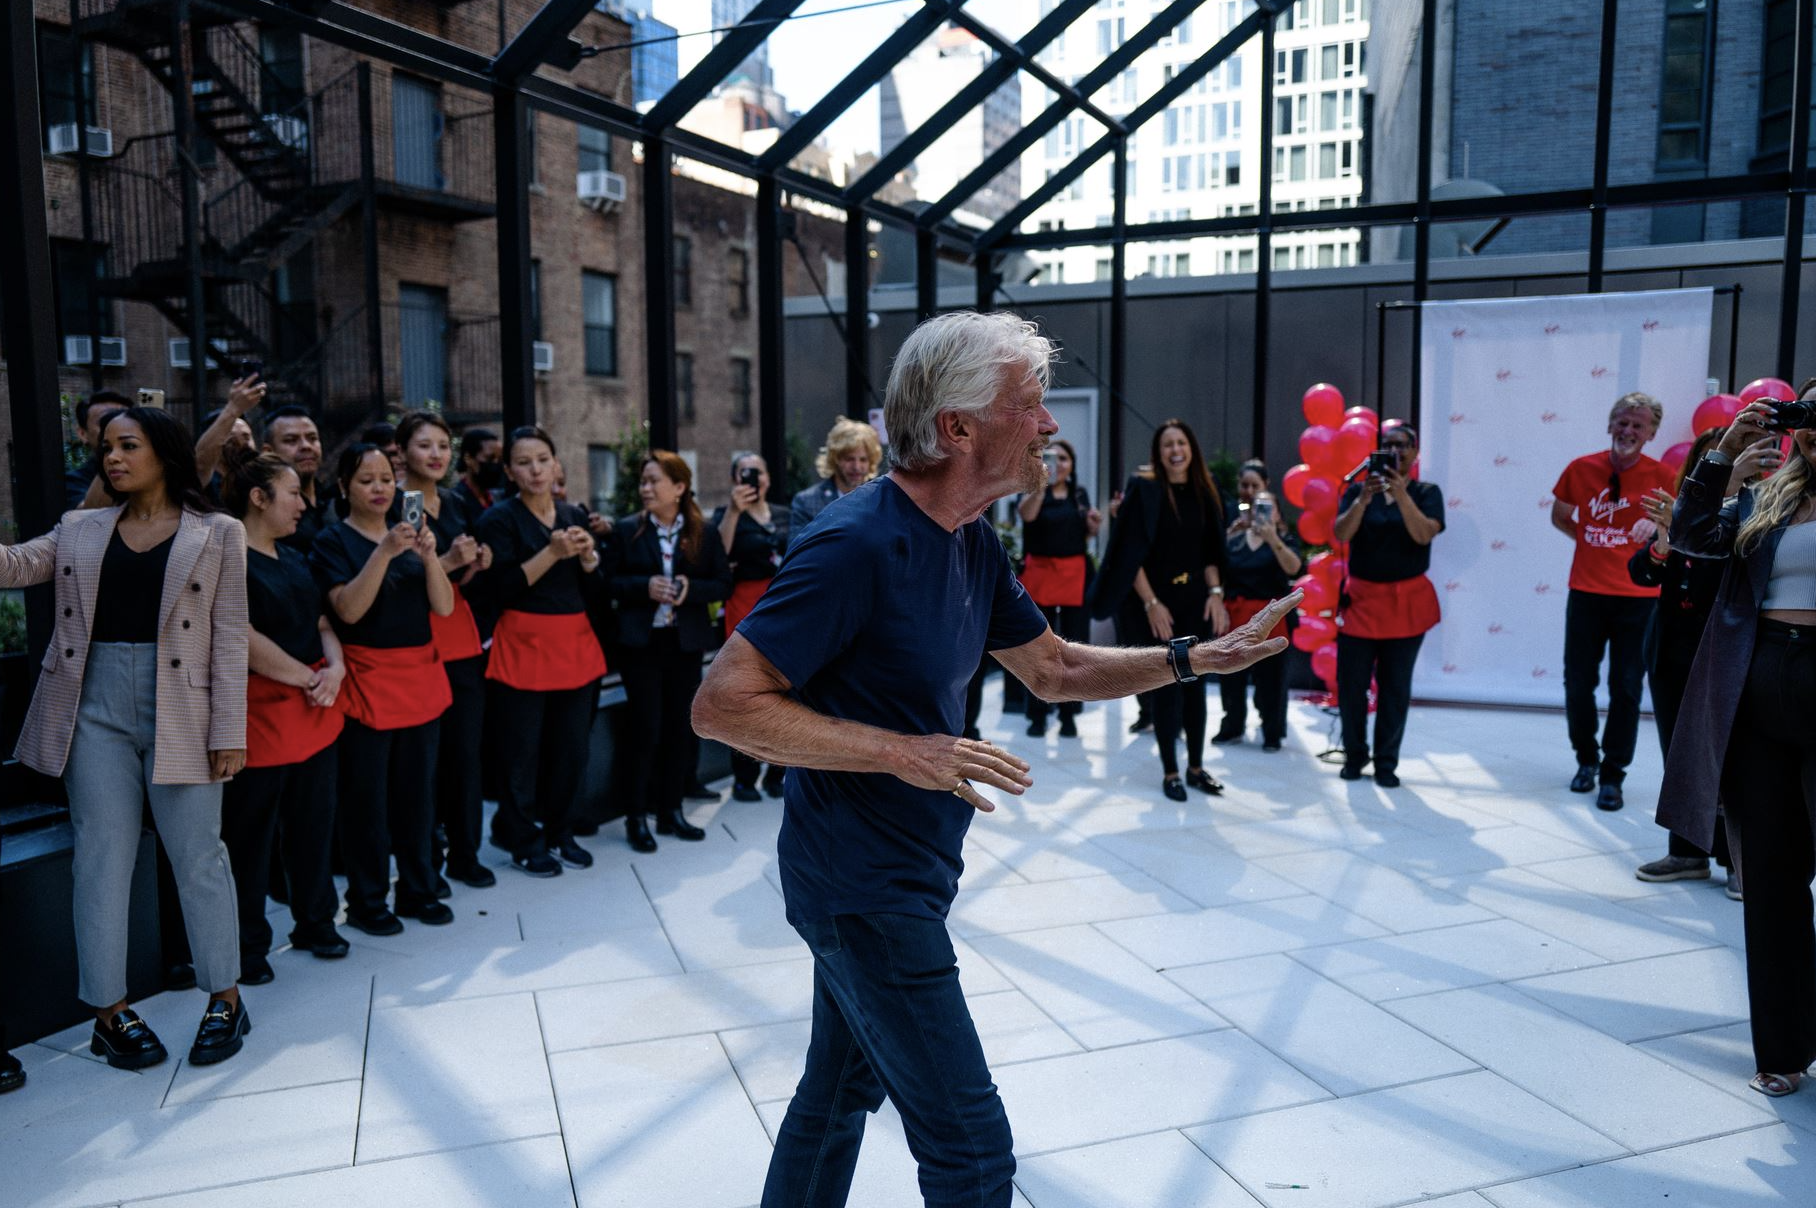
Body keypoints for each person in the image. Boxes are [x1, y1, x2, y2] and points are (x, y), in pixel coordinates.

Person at [692, 310, 1298, 1208]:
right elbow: (722, 704)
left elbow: (1052, 668)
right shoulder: (857, 543)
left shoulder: (970, 537)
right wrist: (902, 751)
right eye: (1032, 405)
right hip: (862, 890)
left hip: (908, 869)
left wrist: (1192, 660)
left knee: (839, 1092)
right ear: (958, 427)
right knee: (972, 1152)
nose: (1050, 426)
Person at [0, 405, 251, 1070]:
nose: (111, 457)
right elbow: (16, 565)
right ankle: (109, 1014)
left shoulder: (217, 532)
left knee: (198, 856)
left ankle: (225, 997)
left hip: (185, 708)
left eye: (127, 446)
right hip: (94, 706)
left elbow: (228, 635)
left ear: (163, 453)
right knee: (101, 858)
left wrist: (230, 727)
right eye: (106, 447)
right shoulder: (82, 528)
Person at [1659, 384, 1816, 1097]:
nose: (1813, 428)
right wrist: (1721, 456)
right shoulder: (1766, 498)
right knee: (1774, 879)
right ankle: (1782, 1049)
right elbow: (1692, 537)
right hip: (1759, 687)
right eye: (1806, 413)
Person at [311, 443, 459, 934]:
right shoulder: (333, 541)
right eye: (365, 480)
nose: (379, 488)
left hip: (420, 677)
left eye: (384, 479)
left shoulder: (412, 533)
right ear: (343, 488)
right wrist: (384, 553)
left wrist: (431, 556)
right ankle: (368, 901)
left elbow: (443, 608)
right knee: (367, 802)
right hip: (367, 679)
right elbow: (347, 610)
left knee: (419, 797)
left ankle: (419, 888)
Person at [217, 447, 349, 981]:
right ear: (258, 497)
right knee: (250, 838)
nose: (302, 503)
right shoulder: (229, 559)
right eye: (292, 493)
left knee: (314, 826)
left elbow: (321, 621)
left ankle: (316, 920)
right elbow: (239, 637)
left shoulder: (296, 555)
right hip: (261, 713)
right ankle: (248, 946)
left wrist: (336, 666)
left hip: (314, 705)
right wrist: (307, 676)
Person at [1629, 426, 1760, 891]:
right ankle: (1686, 854)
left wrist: (1690, 524)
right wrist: (1666, 538)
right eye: (1710, 460)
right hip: (1670, 650)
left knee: (1724, 758)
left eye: (1727, 457)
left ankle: (1735, 862)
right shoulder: (1682, 514)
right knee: (1678, 754)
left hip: (1723, 650)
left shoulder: (1753, 511)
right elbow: (1642, 572)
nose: (1718, 467)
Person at [475, 426, 611, 876]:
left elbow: (594, 590)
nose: (535, 470)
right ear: (510, 471)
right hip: (523, 643)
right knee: (521, 753)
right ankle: (520, 836)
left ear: (556, 464)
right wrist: (552, 554)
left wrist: (590, 559)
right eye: (524, 462)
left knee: (571, 749)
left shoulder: (573, 511)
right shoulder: (498, 519)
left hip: (574, 643)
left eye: (542, 459)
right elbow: (501, 588)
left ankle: (561, 831)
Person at [1550, 393, 1677, 810]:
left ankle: (1613, 775)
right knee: (1577, 683)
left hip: (1638, 598)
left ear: (1652, 433)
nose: (1628, 431)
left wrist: (1658, 523)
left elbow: (1676, 529)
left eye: (1638, 426)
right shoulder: (1581, 468)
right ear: (1610, 425)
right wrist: (1590, 540)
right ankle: (1586, 760)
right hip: (1586, 593)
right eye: (1623, 422)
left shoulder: (1663, 475)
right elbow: (1561, 515)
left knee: (1625, 688)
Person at [1092, 420, 1231, 801]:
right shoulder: (1146, 489)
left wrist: (1216, 594)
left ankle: (1197, 768)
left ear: (1191, 448)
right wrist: (1152, 603)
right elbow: (1130, 555)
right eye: (1168, 444)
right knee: (1168, 687)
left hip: (1195, 600)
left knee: (1196, 686)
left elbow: (1211, 552)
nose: (1175, 450)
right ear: (1159, 451)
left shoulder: (1206, 490)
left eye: (1181, 443)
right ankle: (1171, 772)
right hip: (1158, 603)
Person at [610, 451, 732, 851]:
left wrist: (689, 590)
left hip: (684, 643)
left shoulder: (704, 531)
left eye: (653, 481)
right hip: (642, 645)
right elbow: (608, 583)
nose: (645, 489)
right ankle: (635, 818)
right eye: (643, 482)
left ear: (679, 487)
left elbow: (721, 583)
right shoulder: (627, 529)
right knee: (645, 730)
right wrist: (643, 587)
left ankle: (671, 811)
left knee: (681, 730)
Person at [397, 411, 496, 890]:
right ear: (403, 452)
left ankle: (466, 852)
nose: (436, 454)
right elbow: (402, 573)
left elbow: (468, 566)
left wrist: (478, 560)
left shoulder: (457, 501)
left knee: (466, 755)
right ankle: (425, 862)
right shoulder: (399, 504)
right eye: (424, 445)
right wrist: (450, 561)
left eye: (442, 445)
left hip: (461, 636)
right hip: (416, 638)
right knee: (424, 762)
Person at [1331, 420, 1444, 788]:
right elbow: (1341, 533)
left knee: (1395, 688)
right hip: (1362, 601)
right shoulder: (1357, 492)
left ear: (1414, 453)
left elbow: (1424, 533)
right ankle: (1354, 755)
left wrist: (1402, 494)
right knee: (1352, 685)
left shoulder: (1427, 492)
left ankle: (1386, 763)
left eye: (1402, 446)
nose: (1395, 452)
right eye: (1387, 445)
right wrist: (1365, 498)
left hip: (1406, 604)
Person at [712, 451, 793, 801]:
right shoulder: (726, 514)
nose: (752, 479)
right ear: (734, 480)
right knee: (743, 689)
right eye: (745, 473)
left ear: (768, 479)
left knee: (787, 691)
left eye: (757, 473)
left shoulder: (785, 514)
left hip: (785, 606)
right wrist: (733, 511)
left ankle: (778, 772)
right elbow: (717, 555)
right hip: (745, 606)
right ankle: (743, 776)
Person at [1017, 438, 1100, 738]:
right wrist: (1041, 484)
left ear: (1073, 465)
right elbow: (1026, 516)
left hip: (1074, 574)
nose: (1059, 464)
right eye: (1053, 458)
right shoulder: (1032, 489)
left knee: (1074, 647)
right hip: (1041, 573)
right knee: (1039, 646)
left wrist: (1093, 526)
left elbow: (1084, 535)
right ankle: (1037, 713)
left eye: (1065, 459)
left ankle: (1068, 714)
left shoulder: (1079, 494)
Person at [1216, 460, 1302, 750]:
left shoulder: (1283, 540)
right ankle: (1232, 724)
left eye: (1267, 507)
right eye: (1257, 507)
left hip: (1271, 617)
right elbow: (1217, 567)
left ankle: (1272, 730)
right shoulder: (1235, 538)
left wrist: (1273, 537)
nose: (1260, 511)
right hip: (1236, 613)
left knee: (1272, 679)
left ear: (1277, 512)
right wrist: (1231, 533)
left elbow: (1293, 568)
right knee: (1230, 675)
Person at [788, 416, 882, 539]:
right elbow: (797, 551)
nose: (857, 467)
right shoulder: (807, 501)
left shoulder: (882, 499)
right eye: (849, 459)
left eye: (863, 460)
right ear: (835, 459)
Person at [263, 406, 336, 551]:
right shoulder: (266, 512)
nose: (306, 446)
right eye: (291, 440)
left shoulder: (335, 500)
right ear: (268, 452)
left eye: (312, 438)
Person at [64, 390, 129, 509]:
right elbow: (85, 515)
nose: (120, 428)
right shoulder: (73, 481)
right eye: (107, 421)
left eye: (127, 421)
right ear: (83, 434)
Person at [448, 426, 508, 519]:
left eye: (500, 459)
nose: (496, 464)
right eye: (490, 458)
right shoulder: (454, 501)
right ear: (469, 458)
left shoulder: (500, 497)